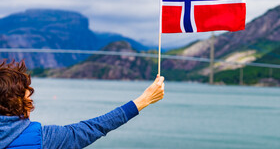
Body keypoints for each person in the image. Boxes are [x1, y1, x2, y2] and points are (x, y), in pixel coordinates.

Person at [0, 60, 165, 149]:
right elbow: (93, 128)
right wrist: (144, 100)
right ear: (20, 104)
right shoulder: (41, 139)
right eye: (29, 99)